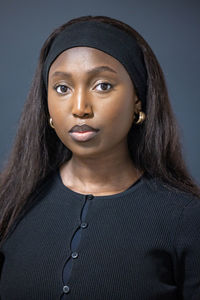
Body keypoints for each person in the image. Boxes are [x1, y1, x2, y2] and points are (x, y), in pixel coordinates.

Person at [0, 15, 200, 300]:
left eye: (103, 86)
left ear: (137, 99)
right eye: (62, 88)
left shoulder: (186, 219)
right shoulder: (10, 201)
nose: (80, 108)